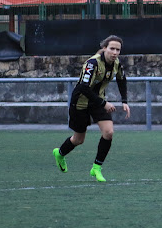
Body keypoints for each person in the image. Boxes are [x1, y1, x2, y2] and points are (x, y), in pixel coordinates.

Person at [52, 35, 131, 182]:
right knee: (78, 139)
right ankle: (60, 153)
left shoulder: (116, 63)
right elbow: (83, 87)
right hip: (80, 102)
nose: (115, 52)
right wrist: (104, 103)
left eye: (118, 50)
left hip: (97, 102)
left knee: (109, 132)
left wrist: (124, 101)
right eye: (112, 48)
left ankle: (96, 168)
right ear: (104, 48)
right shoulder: (92, 63)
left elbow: (121, 79)